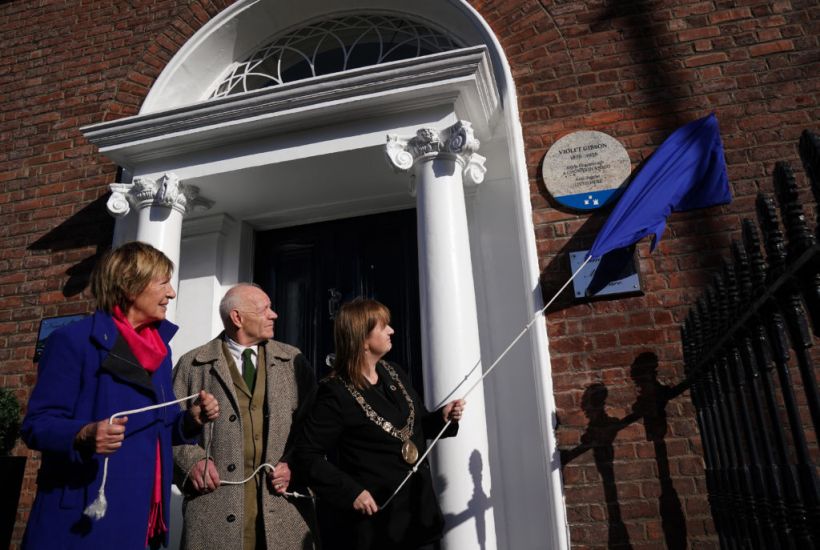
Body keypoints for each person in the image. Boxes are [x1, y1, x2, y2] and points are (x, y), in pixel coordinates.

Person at [21, 241, 220, 550]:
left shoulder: (160, 350)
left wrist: (191, 420)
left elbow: (160, 427)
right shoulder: (72, 341)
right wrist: (84, 433)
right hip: (85, 515)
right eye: (163, 282)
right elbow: (37, 424)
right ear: (130, 286)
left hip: (144, 512)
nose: (172, 292)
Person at [296, 298, 465, 550]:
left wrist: (442, 417)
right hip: (375, 526)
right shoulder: (335, 393)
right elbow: (307, 455)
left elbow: (414, 428)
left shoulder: (393, 372)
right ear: (363, 339)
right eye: (383, 326)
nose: (391, 331)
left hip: (418, 518)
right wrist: (351, 492)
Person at [172, 283, 317, 550]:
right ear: (237, 317)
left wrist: (294, 464)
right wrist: (190, 462)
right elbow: (165, 430)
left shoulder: (293, 361)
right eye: (265, 310)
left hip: (284, 511)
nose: (274, 315)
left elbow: (315, 428)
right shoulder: (192, 365)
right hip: (212, 512)